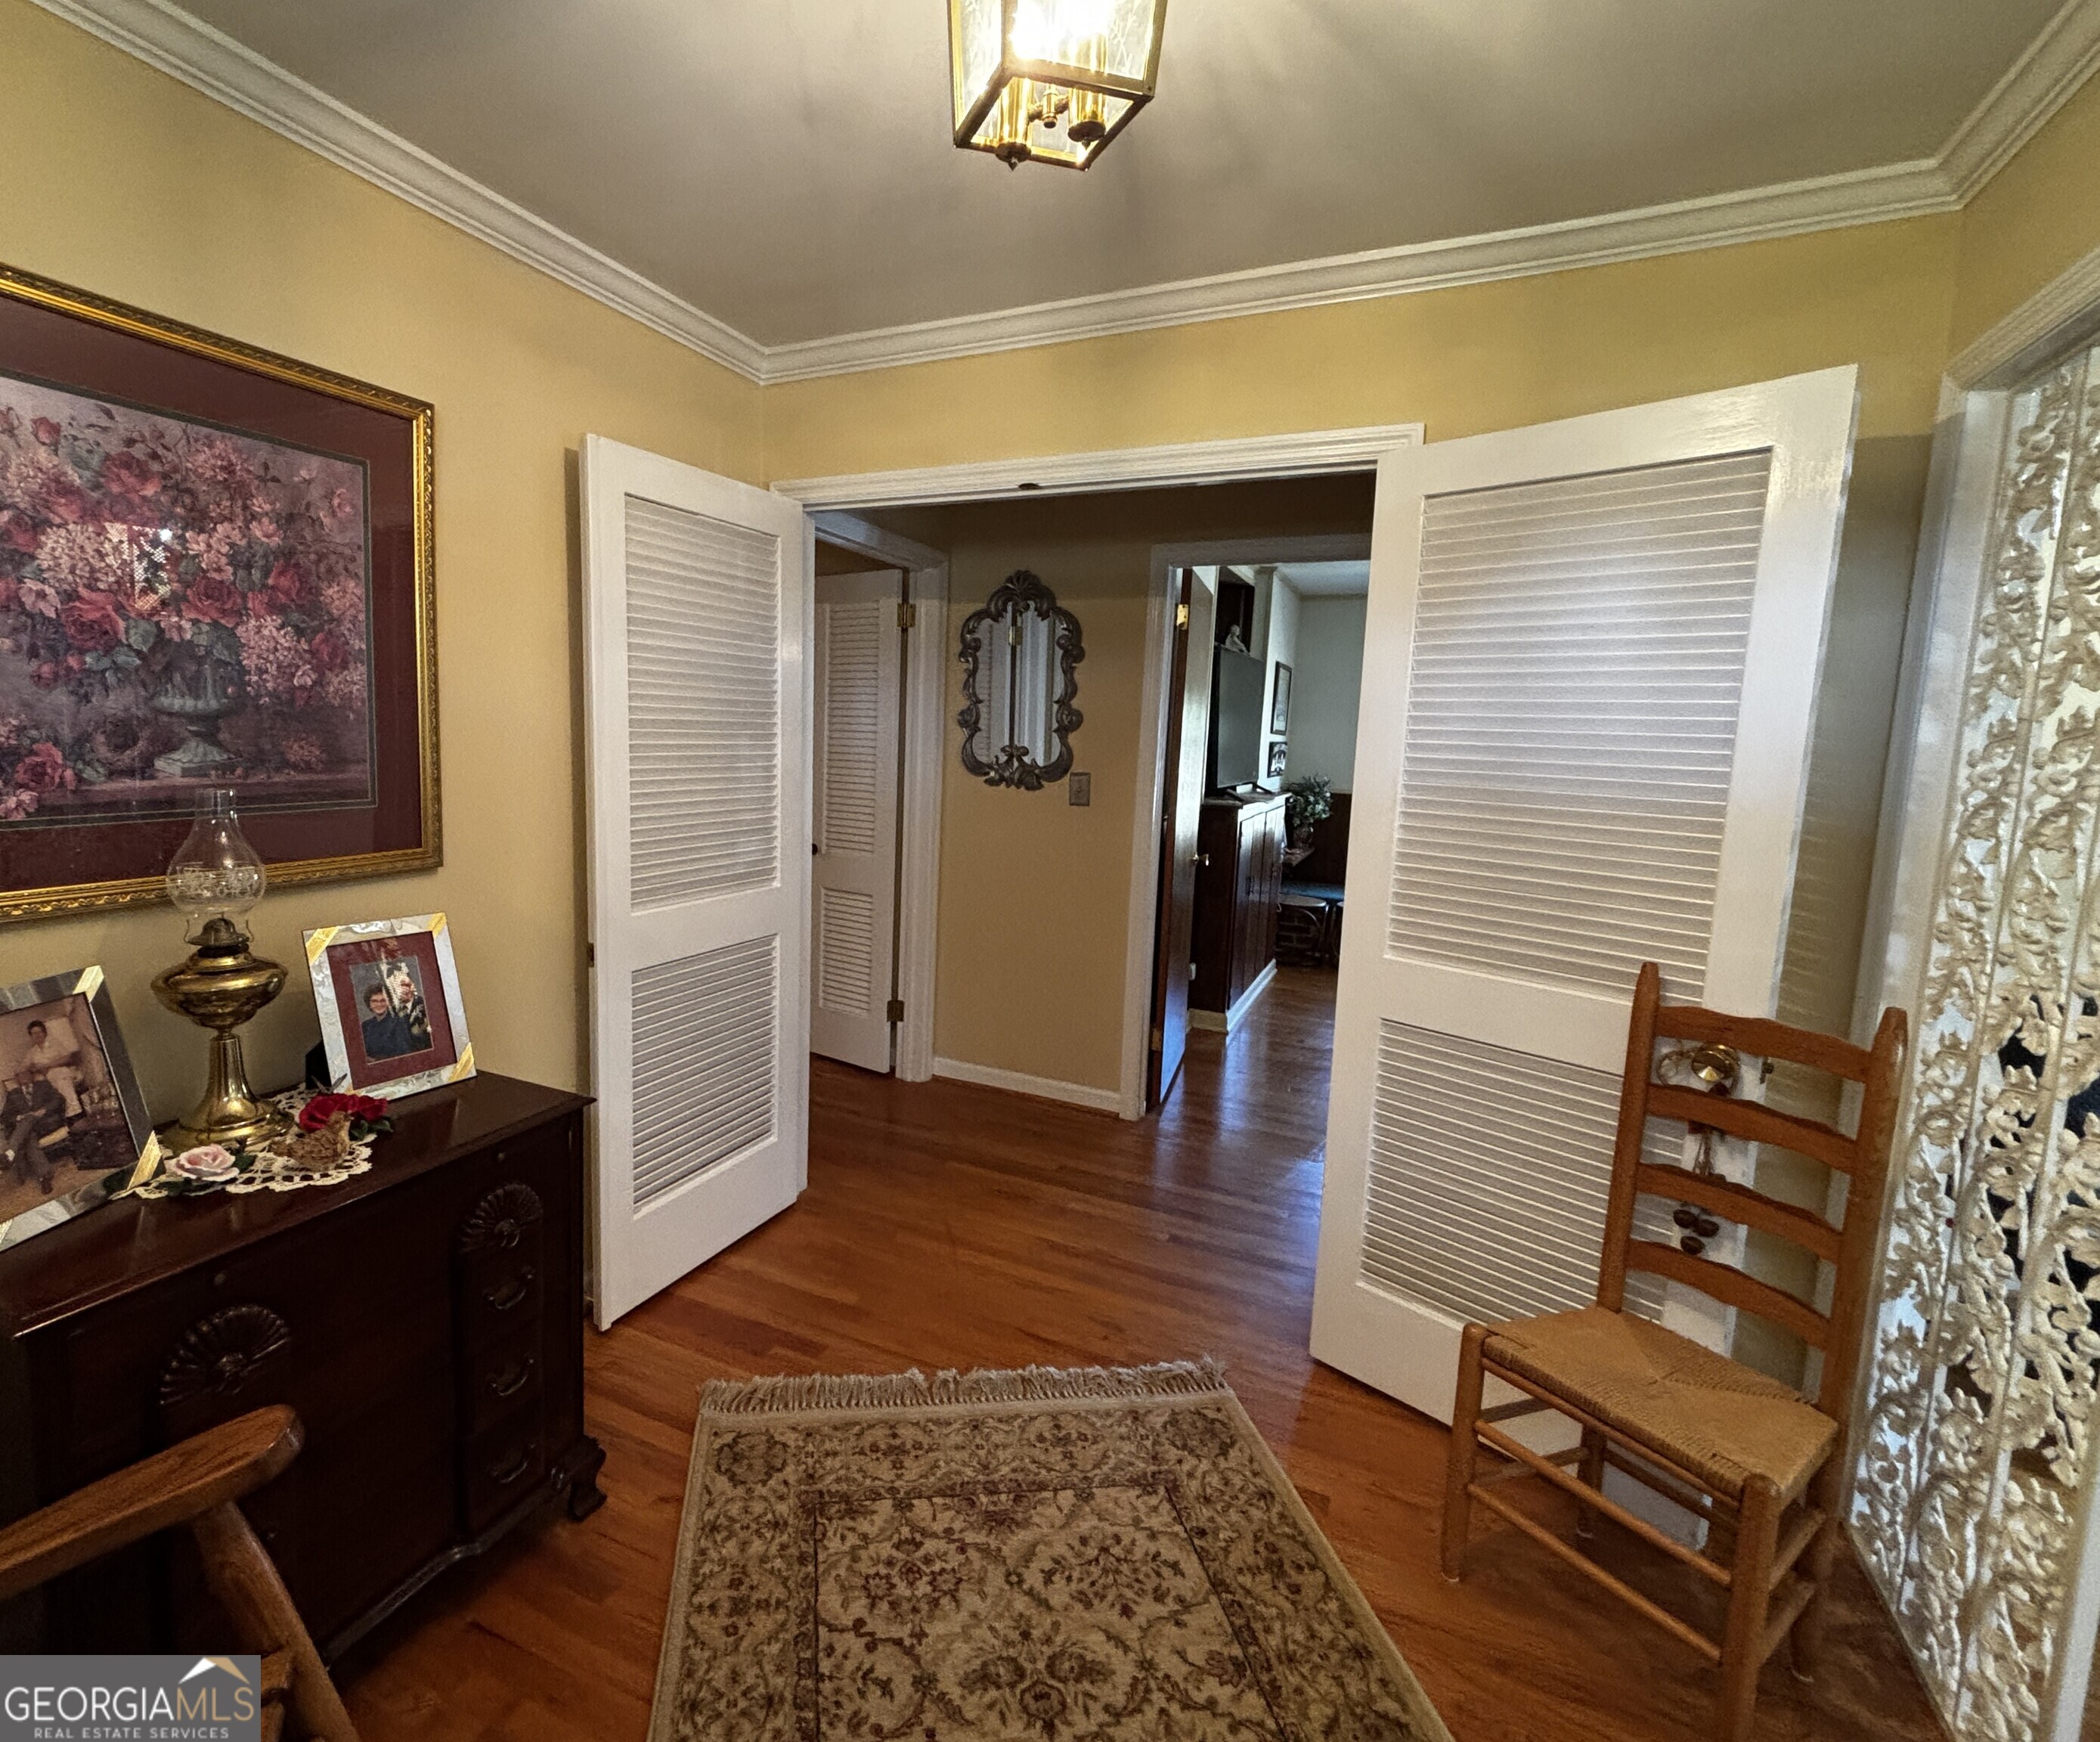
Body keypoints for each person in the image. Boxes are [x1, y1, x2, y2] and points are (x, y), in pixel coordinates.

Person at [2, 1074, 70, 1195]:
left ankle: (10, 1153)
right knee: (29, 1137)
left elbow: (59, 1099)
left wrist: (44, 1109)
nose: (24, 1077)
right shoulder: (13, 1094)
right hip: (28, 1131)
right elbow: (4, 1117)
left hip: (46, 1123)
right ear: (17, 1080)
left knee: (29, 1121)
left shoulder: (43, 1086)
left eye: (26, 1074)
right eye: (20, 1076)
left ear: (31, 1076)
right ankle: (44, 1178)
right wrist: (18, 1117)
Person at [21, 1015, 82, 1117]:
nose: (37, 1035)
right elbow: (24, 1067)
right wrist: (35, 1068)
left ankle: (74, 1110)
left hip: (59, 1072)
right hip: (45, 1078)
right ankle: (63, 1114)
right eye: (34, 1033)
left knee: (60, 1076)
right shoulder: (32, 1052)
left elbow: (67, 1058)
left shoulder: (55, 1044)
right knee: (42, 1085)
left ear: (44, 1033)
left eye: (39, 1032)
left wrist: (48, 1066)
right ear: (31, 1036)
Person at [359, 982, 417, 1062]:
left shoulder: (398, 1023)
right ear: (369, 1004)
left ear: (389, 1002)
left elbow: (404, 1055)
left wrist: (374, 1061)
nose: (379, 1004)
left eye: (383, 1000)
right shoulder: (366, 1026)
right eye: (374, 1001)